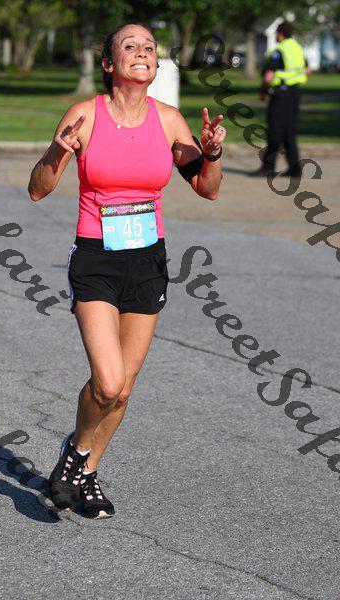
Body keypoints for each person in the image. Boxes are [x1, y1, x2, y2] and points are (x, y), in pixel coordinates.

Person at [28, 22, 226, 519]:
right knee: (109, 382)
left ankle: (86, 473)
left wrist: (212, 154)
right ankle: (74, 456)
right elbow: (38, 189)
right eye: (130, 46)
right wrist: (58, 151)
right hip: (96, 259)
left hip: (148, 261)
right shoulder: (85, 115)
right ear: (109, 63)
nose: (142, 52)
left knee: (123, 391)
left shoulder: (168, 120)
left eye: (149, 47)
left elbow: (207, 188)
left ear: (155, 64)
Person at [249, 21, 311, 178]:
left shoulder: (279, 50)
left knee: (274, 132)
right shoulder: (297, 48)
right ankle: (295, 169)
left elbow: (268, 76)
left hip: (280, 95)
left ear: (280, 34)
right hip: (294, 93)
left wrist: (262, 90)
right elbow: (307, 69)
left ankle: (268, 167)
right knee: (289, 132)